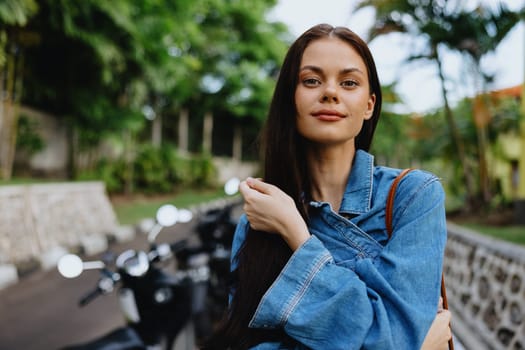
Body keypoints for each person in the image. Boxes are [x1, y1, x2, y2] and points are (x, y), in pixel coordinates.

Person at [203, 23, 451, 349]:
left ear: (369, 105)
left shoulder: (414, 196)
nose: (330, 92)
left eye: (349, 82)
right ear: (290, 100)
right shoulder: (259, 219)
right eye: (311, 81)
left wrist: (296, 234)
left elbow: (394, 339)